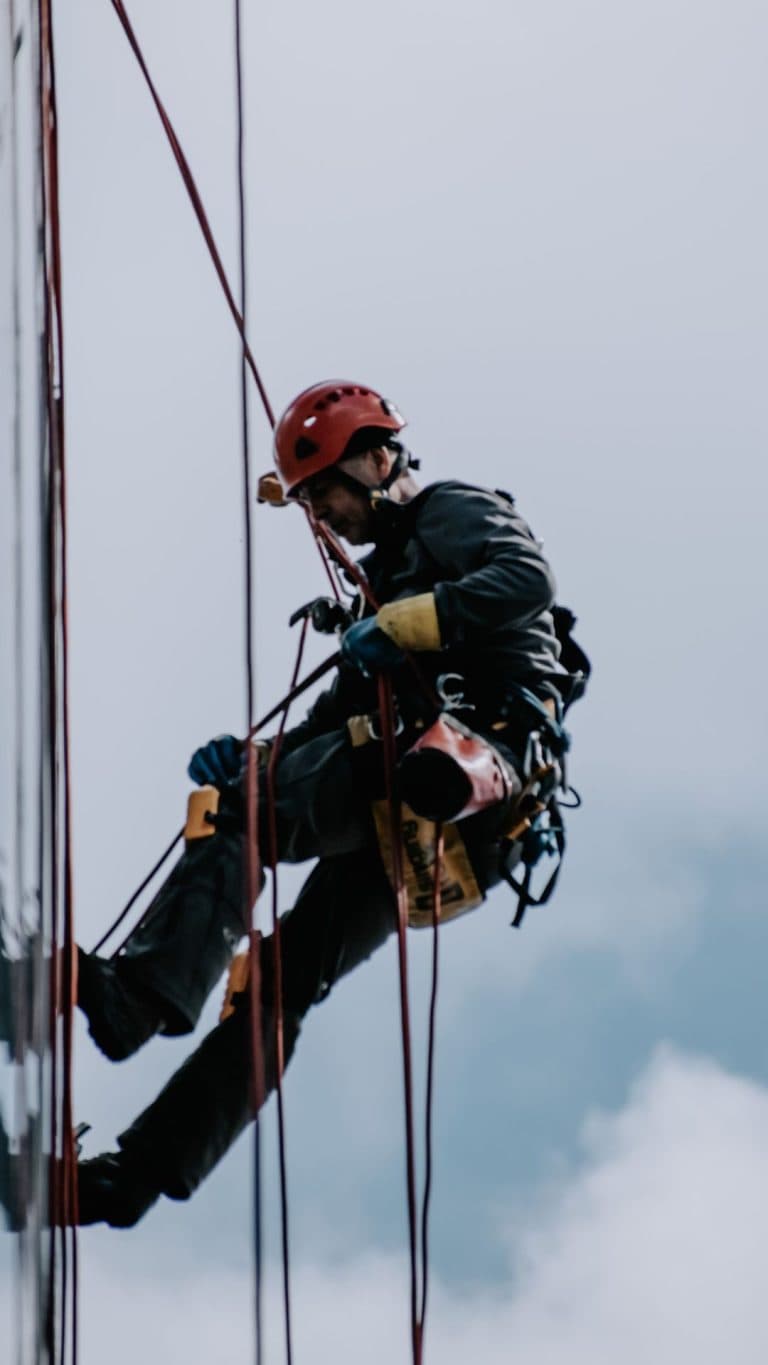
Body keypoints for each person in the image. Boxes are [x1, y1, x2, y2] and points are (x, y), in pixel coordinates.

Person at [75, 381, 585, 1227]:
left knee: (246, 813)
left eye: (329, 493)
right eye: (311, 503)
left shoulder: (447, 513)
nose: (325, 516)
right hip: (446, 826)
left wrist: (413, 620)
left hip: (454, 766)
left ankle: (143, 992)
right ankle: (131, 1181)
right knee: (282, 980)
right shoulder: (380, 584)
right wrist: (259, 757)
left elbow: (527, 576)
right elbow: (334, 719)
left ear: (379, 459)